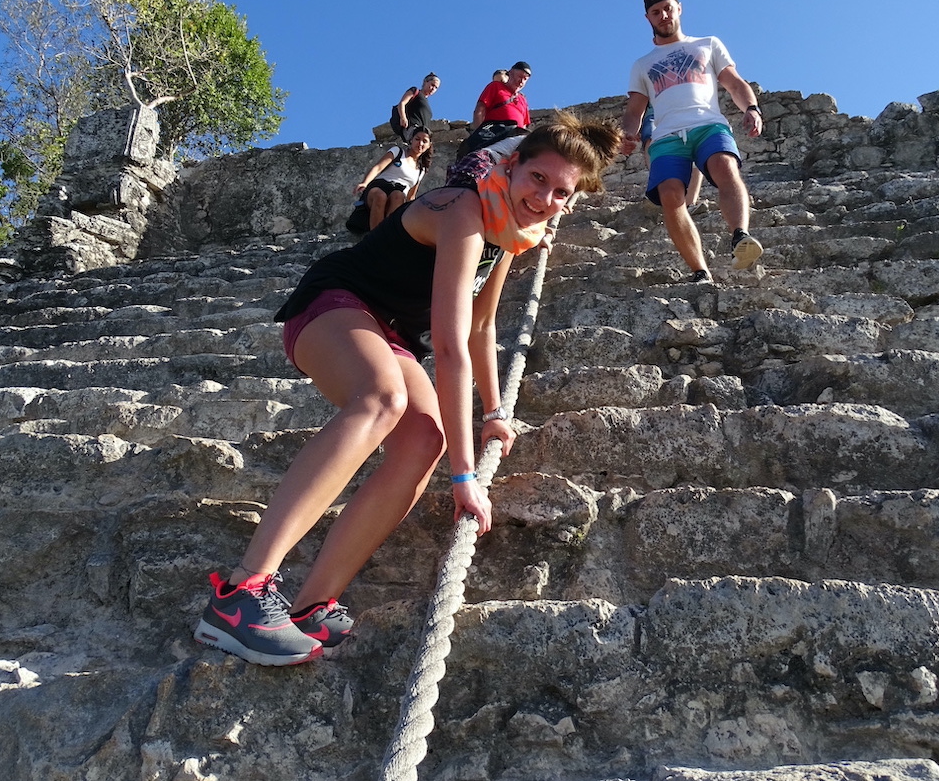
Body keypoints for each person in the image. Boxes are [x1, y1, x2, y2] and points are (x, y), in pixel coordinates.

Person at [193, 111, 622, 666]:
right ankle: (242, 594)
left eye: (560, 193)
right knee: (383, 400)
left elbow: (481, 328)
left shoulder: (505, 237)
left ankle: (310, 605)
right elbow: (448, 347)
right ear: (512, 165)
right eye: (537, 179)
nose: (543, 199)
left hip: (389, 331)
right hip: (335, 303)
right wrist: (466, 479)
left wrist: (495, 412)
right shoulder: (463, 209)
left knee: (424, 441)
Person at [621, 0, 763, 284]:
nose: (663, 16)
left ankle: (740, 236)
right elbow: (635, 109)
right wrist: (628, 134)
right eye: (656, 12)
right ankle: (700, 270)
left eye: (668, 8)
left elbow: (734, 83)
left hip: (707, 122)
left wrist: (751, 108)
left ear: (679, 8)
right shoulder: (642, 64)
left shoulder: (707, 44)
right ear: (647, 17)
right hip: (667, 135)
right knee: (670, 196)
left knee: (725, 167)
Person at [354, 127, 434, 229]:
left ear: (429, 145)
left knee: (398, 195)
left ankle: (388, 234)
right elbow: (378, 167)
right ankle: (375, 236)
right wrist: (365, 183)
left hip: (397, 196)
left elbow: (411, 196)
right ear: (411, 140)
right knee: (380, 196)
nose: (420, 143)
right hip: (379, 188)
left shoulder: (421, 170)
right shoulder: (398, 152)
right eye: (417, 139)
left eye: (424, 141)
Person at [456, 61, 533, 159]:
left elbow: (524, 124)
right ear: (511, 73)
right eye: (519, 76)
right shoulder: (496, 86)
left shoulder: (523, 99)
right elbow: (480, 109)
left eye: (525, 79)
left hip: (516, 137)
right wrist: (478, 133)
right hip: (497, 133)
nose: (521, 81)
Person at [390, 73, 440, 141]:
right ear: (425, 82)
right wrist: (403, 118)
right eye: (432, 85)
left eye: (436, 87)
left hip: (424, 133)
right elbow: (402, 103)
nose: (433, 89)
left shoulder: (427, 104)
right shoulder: (415, 91)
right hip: (413, 128)